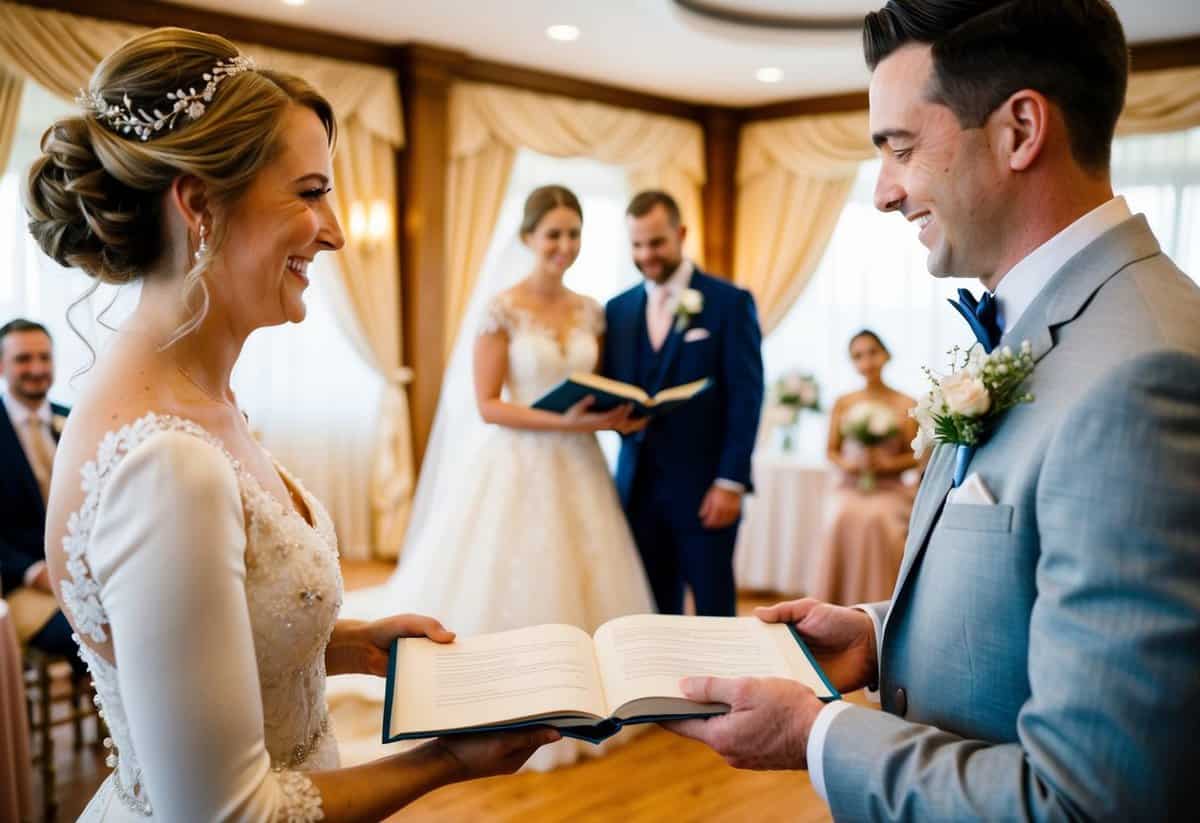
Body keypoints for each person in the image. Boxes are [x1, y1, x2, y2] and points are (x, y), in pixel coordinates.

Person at [663, 2, 1200, 819]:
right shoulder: (1059, 318)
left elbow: (1086, 801)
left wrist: (816, 734)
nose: (884, 192)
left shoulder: (1141, 373)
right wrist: (880, 636)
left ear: (1021, 130)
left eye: (901, 147)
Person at [27, 27, 555, 821]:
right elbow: (233, 814)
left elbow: (196, 635)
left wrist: (354, 642)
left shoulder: (193, 401)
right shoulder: (167, 462)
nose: (337, 230)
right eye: (311, 192)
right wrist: (445, 759)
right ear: (199, 204)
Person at [330, 184, 655, 771]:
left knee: (587, 568)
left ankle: (589, 690)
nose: (564, 245)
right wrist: (566, 423)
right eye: (553, 233)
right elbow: (487, 404)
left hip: (580, 466)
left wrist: (611, 415)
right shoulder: (501, 308)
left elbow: (596, 387)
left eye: (574, 233)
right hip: (519, 462)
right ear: (528, 238)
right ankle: (511, 692)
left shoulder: (590, 309)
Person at [603, 191, 764, 617]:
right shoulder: (617, 311)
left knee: (713, 609)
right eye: (636, 245)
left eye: (656, 243)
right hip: (636, 489)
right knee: (649, 611)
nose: (646, 255)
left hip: (706, 489)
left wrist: (730, 481)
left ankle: (725, 685)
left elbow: (746, 397)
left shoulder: (730, 303)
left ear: (681, 234)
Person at [808, 330, 919, 605]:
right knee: (841, 517)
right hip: (851, 485)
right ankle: (837, 602)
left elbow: (917, 456)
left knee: (880, 520)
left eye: (872, 352)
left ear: (886, 355)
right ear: (853, 363)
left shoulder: (907, 403)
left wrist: (889, 464)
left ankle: (885, 603)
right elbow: (831, 451)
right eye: (858, 356)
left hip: (890, 488)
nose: (867, 361)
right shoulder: (843, 402)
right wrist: (852, 465)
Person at [0, 319, 84, 674]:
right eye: (23, 359)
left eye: (44, 358)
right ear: (1, 365)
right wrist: (34, 572)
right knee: (95, 633)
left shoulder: (78, 419)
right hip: (23, 586)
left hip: (87, 574)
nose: (36, 369)